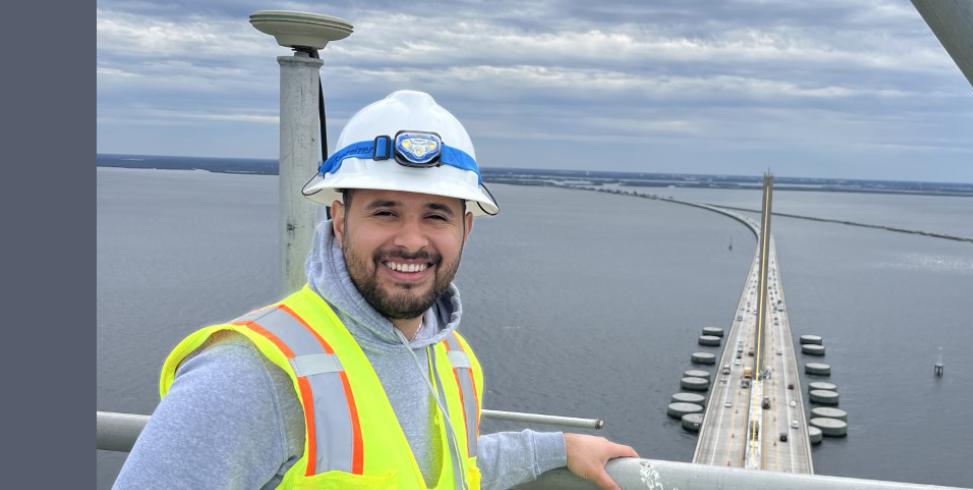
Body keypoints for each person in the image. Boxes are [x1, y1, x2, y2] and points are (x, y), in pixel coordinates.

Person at [114, 90, 638, 489]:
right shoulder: (251, 374)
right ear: (340, 221)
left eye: (436, 215)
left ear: (465, 229)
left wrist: (558, 447)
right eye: (384, 211)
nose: (410, 241)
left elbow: (451, 467)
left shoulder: (449, 357)